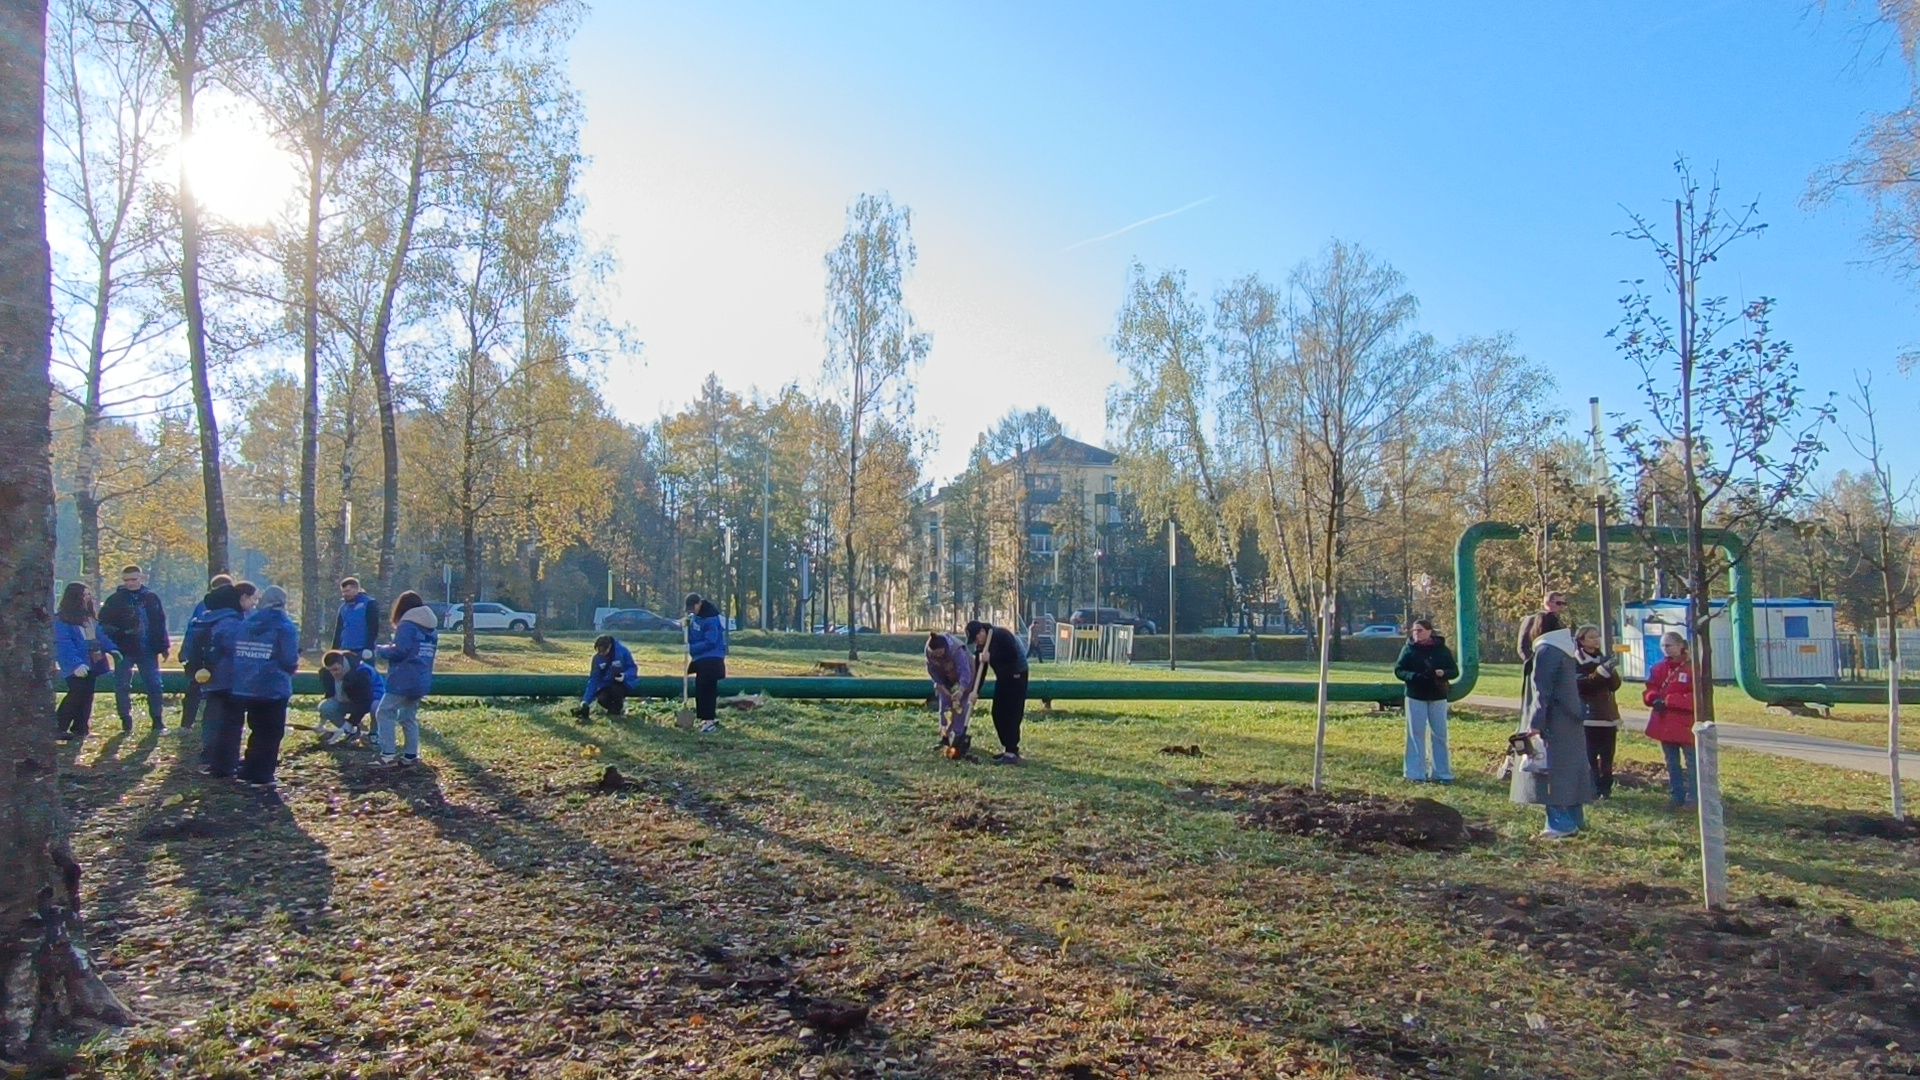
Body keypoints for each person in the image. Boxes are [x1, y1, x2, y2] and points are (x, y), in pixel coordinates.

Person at [1510, 610, 1596, 839]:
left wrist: (1535, 724)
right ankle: (1576, 818)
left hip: (1553, 722)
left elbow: (1542, 691)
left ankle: (1560, 824)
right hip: (1570, 720)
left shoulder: (1545, 650)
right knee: (1571, 770)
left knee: (1549, 774)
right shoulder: (1565, 650)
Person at [225, 585, 300, 789]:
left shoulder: (247, 622)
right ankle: (262, 775)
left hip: (246, 685)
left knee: (256, 728)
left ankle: (248, 768)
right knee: (272, 731)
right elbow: (289, 659)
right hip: (273, 686)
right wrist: (290, 668)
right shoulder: (285, 626)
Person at [98, 563, 170, 733]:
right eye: (127, 580)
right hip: (124, 649)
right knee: (122, 685)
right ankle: (125, 719)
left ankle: (157, 719)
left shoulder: (151, 598)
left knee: (154, 684)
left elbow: (160, 622)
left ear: (141, 578)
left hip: (148, 648)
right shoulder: (115, 600)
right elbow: (104, 624)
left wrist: (164, 645)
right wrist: (119, 638)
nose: (130, 583)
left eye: (133, 579)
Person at [195, 582, 256, 777]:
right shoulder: (232, 623)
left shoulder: (206, 620)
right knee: (231, 723)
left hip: (211, 677)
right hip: (230, 679)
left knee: (212, 718)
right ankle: (226, 762)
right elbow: (238, 649)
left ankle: (210, 756)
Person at [373, 591, 439, 767]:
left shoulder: (407, 625)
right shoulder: (432, 629)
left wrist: (380, 650)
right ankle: (411, 755)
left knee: (384, 712)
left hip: (403, 678)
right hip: (421, 679)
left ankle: (388, 754)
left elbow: (400, 650)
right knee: (408, 717)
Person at [1394, 618, 1459, 784]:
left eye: (1420, 630)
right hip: (1415, 695)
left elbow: (1454, 671)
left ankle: (1442, 773)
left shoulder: (1442, 650)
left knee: (1440, 734)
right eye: (1414, 631)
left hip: (1437, 696)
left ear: (1430, 631)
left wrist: (1442, 673)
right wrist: (1413, 676)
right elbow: (1399, 670)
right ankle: (1415, 773)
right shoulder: (1408, 649)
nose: (1416, 634)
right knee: (1415, 734)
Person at [54, 582, 118, 744]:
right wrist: (76, 664)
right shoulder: (63, 620)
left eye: (89, 594)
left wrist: (112, 649)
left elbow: (100, 636)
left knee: (87, 695)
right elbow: (64, 644)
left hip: (93, 662)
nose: (88, 598)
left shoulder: (89, 619)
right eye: (84, 595)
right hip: (76, 666)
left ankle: (81, 728)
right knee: (76, 694)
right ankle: (58, 727)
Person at [1643, 631, 1698, 811]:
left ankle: (1694, 797)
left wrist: (1669, 700)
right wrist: (1652, 698)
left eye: (1669, 645)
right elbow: (1650, 689)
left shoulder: (1692, 668)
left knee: (1692, 762)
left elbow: (1696, 697)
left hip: (1685, 723)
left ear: (1680, 645)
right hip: (1665, 723)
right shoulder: (1658, 669)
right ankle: (1677, 795)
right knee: (1672, 762)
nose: (1665, 649)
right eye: (1663, 646)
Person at [966, 619, 1030, 764]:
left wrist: (991, 657)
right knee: (997, 712)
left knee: (1012, 713)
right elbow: (980, 671)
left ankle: (1012, 752)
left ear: (982, 632)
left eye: (976, 638)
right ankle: (1008, 748)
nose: (977, 642)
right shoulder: (981, 646)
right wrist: (975, 691)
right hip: (1003, 678)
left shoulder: (1002, 635)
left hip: (1017, 675)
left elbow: (1012, 656)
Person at [1575, 624, 1623, 799]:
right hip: (1589, 717)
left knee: (1607, 756)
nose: (1596, 640)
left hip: (1607, 716)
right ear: (1581, 641)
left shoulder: (1602, 658)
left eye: (1597, 636)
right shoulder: (1576, 661)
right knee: (1590, 756)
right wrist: (1602, 671)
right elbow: (1584, 685)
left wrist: (1610, 670)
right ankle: (1592, 788)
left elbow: (1614, 686)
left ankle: (1606, 789)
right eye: (1591, 637)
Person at [181, 573, 233, 729]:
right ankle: (190, 722)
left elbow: (192, 629)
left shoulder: (205, 605)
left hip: (204, 655)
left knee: (197, 688)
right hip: (209, 655)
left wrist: (186, 651)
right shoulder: (209, 606)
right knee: (197, 689)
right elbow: (192, 629)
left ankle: (190, 723)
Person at [1516, 590, 1570, 716]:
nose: (1561, 607)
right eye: (1558, 603)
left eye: (1563, 603)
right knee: (1535, 701)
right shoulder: (1531, 620)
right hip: (1536, 667)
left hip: (1556, 668)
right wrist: (1533, 662)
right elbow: (1522, 647)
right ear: (1547, 602)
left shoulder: (1561, 623)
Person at [924, 630, 977, 756]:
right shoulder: (929, 653)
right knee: (945, 708)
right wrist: (943, 689)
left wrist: (960, 690)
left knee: (959, 708)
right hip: (945, 679)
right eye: (935, 655)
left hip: (964, 677)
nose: (938, 657)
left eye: (940, 654)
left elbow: (965, 673)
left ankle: (957, 738)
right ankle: (945, 737)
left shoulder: (956, 650)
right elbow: (934, 674)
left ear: (945, 649)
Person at [684, 593, 728, 734]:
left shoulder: (711, 619)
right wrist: (687, 627)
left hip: (712, 661)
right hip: (701, 661)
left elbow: (711, 641)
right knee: (701, 690)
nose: (692, 611)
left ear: (699, 604)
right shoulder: (696, 618)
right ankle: (706, 719)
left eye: (693, 608)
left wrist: (691, 648)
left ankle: (709, 721)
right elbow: (694, 635)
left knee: (706, 691)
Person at [320, 650, 381, 746]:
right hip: (351, 700)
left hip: (373, 698)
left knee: (376, 708)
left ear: (343, 664)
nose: (333, 673)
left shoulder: (361, 673)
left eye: (336, 669)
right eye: (330, 670)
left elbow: (365, 703)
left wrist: (352, 721)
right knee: (326, 707)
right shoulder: (326, 674)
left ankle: (374, 734)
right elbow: (330, 695)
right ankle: (351, 732)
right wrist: (321, 724)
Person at [576, 635, 639, 720]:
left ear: (609, 647)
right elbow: (594, 679)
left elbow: (632, 668)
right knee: (602, 699)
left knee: (616, 691)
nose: (601, 654)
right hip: (605, 685)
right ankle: (614, 711)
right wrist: (586, 701)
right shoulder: (597, 659)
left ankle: (616, 713)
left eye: (603, 651)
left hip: (622, 684)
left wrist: (625, 676)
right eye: (599, 651)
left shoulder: (623, 652)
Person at [332, 577, 382, 659]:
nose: (345, 594)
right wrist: (334, 651)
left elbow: (373, 627)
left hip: (362, 651)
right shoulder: (343, 607)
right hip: (345, 650)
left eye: (347, 591)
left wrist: (369, 647)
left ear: (356, 589)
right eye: (343, 592)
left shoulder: (369, 604)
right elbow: (338, 631)